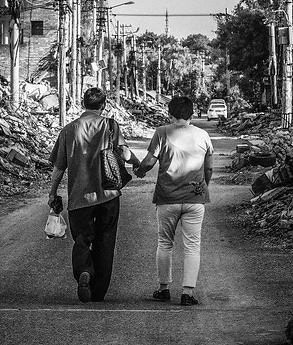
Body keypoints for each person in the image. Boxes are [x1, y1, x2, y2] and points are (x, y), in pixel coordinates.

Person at [48, 86, 140, 303]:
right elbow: (124, 152)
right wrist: (136, 162)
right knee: (106, 241)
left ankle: (84, 271)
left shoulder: (68, 130)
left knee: (82, 238)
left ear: (83, 104)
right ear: (104, 105)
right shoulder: (110, 125)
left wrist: (52, 193)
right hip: (108, 194)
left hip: (79, 197)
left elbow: (58, 168)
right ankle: (98, 292)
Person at [135, 95, 213, 306]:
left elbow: (149, 161)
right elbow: (208, 168)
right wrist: (203, 186)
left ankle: (164, 289)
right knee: (192, 246)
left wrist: (140, 171)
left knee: (165, 243)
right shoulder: (203, 135)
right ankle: (187, 292)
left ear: (170, 114)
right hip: (195, 199)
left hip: (167, 198)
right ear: (192, 114)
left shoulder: (162, 132)